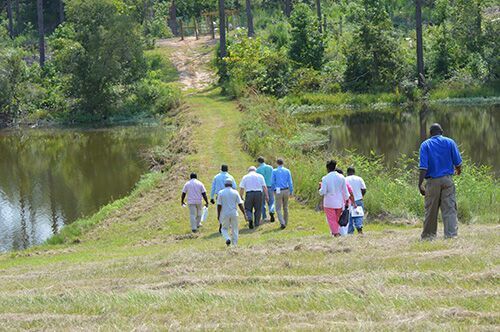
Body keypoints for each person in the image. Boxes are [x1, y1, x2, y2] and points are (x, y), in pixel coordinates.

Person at [419, 123, 462, 240]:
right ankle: (451, 235)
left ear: (430, 133)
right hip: (447, 180)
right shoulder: (450, 142)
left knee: (431, 209)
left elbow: (423, 167)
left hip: (432, 181)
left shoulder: (425, 145)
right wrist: (458, 171)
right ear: (442, 132)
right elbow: (458, 162)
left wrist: (420, 184)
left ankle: (429, 236)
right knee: (449, 208)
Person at [319, 160, 349, 237]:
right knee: (337, 219)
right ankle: (336, 232)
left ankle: (336, 233)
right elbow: (345, 191)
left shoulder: (325, 178)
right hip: (339, 202)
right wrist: (346, 200)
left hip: (329, 202)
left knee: (331, 219)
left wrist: (320, 189)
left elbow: (323, 191)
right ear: (335, 167)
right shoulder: (341, 177)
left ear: (327, 168)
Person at [217, 178, 247, 246]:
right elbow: (240, 204)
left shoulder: (221, 192)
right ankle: (235, 245)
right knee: (235, 229)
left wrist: (218, 215)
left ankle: (227, 238)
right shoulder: (235, 192)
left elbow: (219, 205)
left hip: (225, 213)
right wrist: (244, 213)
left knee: (224, 229)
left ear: (225, 184)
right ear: (231, 184)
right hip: (234, 213)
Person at [210, 165, 237, 233]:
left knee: (221, 210)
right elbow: (234, 186)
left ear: (221, 169)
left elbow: (213, 187)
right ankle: (229, 224)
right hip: (229, 194)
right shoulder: (230, 177)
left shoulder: (216, 177)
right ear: (227, 169)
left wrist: (211, 197)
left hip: (219, 195)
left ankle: (221, 224)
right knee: (229, 208)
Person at [271, 158, 294, 230]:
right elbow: (290, 182)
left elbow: (272, 182)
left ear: (277, 163)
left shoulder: (274, 171)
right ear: (283, 163)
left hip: (278, 190)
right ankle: (285, 222)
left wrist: (272, 190)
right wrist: (291, 190)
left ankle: (282, 222)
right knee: (285, 207)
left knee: (278, 208)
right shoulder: (287, 171)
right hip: (286, 190)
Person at [346, 167, 367, 235]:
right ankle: (359, 227)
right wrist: (362, 196)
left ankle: (350, 232)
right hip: (358, 199)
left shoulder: (345, 179)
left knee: (349, 216)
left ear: (347, 172)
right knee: (359, 215)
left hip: (349, 200)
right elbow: (364, 189)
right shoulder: (359, 178)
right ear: (354, 172)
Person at [257, 156, 275, 222]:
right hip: (270, 186)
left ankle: (264, 216)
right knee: (271, 201)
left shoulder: (258, 169)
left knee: (262, 203)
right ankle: (271, 210)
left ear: (258, 162)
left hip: (262, 187)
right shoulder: (270, 167)